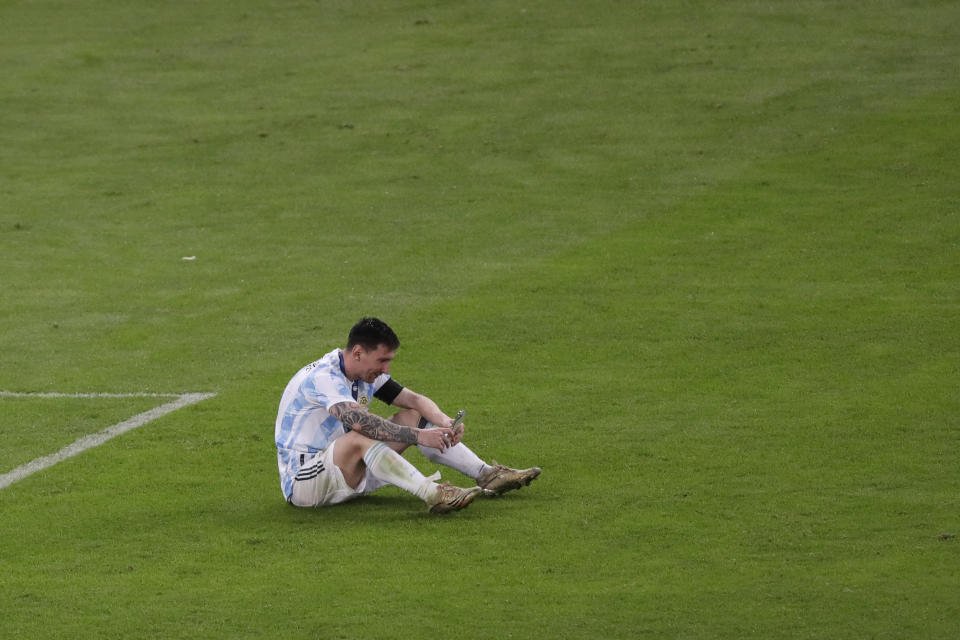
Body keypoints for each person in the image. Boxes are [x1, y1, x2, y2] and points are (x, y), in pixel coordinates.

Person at [274, 317, 541, 514]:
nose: (386, 368)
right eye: (382, 361)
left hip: (344, 473)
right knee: (360, 435)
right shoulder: (323, 378)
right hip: (304, 482)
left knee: (412, 415)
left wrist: (444, 421)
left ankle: (486, 475)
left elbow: (413, 400)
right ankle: (434, 494)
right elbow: (359, 422)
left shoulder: (360, 372)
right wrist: (420, 437)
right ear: (358, 353)